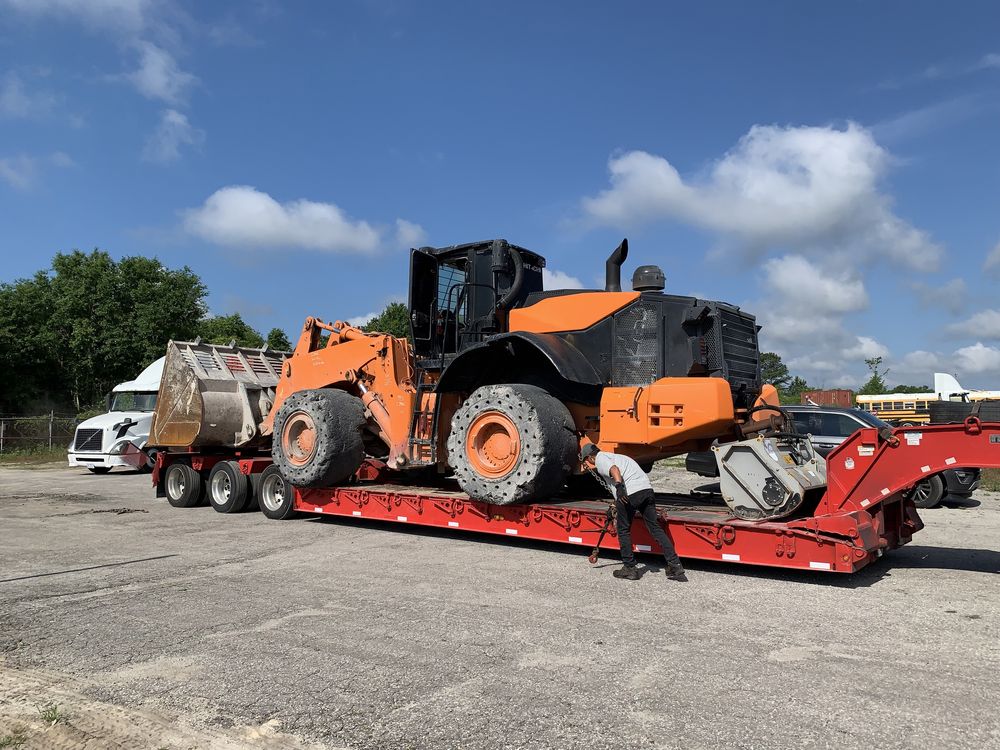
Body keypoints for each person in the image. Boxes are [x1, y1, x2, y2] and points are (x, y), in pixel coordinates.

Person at [580, 443, 687, 582]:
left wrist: (619, 487)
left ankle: (630, 568)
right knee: (655, 528)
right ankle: (676, 567)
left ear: (590, 457)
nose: (589, 463)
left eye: (587, 461)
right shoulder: (618, 457)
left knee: (623, 530)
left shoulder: (601, 459)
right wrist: (615, 503)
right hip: (647, 491)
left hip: (630, 493)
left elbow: (614, 470)